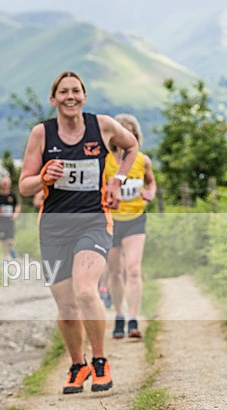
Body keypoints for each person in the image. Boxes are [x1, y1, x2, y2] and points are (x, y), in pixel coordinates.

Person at [19, 70, 138, 395]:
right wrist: (43, 177)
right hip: (54, 227)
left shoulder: (101, 125)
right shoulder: (42, 134)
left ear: (84, 96)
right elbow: (25, 185)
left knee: (86, 291)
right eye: (64, 92)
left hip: (93, 220)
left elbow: (131, 146)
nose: (70, 97)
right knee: (66, 306)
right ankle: (77, 364)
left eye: (76, 91)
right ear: (53, 98)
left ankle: (100, 360)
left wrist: (117, 180)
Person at [105, 114, 156, 339]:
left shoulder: (142, 160)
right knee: (114, 272)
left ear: (135, 136)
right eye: (121, 133)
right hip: (110, 221)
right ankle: (119, 315)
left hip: (135, 218)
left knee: (133, 269)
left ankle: (134, 319)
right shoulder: (104, 160)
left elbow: (151, 180)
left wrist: (149, 194)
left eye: (130, 134)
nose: (125, 138)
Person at [0, 176, 21, 260]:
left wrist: (16, 213)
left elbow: (17, 206)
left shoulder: (12, 196)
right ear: (1, 184)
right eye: (4, 183)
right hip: (1, 222)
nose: (5, 185)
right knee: (3, 240)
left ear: (9, 184)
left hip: (10, 221)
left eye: (6, 183)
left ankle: (11, 250)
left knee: (10, 239)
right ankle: (6, 257)